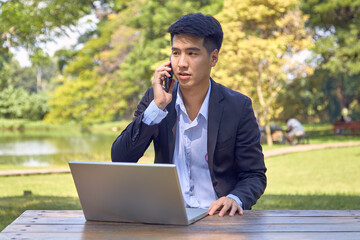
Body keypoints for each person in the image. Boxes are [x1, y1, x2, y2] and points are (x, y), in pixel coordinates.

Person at [111, 13, 267, 217]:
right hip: (168, 217)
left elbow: (254, 175)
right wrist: (157, 107)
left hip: (218, 219)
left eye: (192, 54)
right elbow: (121, 157)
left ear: (213, 58)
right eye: (176, 53)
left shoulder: (237, 106)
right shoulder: (156, 99)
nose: (181, 63)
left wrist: (235, 199)